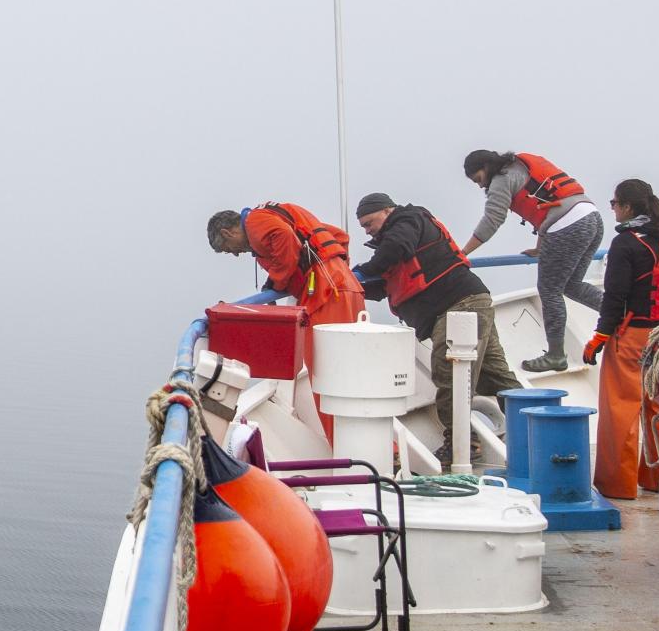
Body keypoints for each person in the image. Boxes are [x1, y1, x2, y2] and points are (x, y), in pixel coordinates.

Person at [353, 191, 520, 449]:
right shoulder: (396, 240)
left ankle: (461, 445)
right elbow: (388, 283)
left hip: (459, 306)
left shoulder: (407, 220)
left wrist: (360, 272)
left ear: (387, 211)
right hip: (470, 302)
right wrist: (350, 284)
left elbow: (395, 249)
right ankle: (536, 428)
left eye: (368, 223)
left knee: (450, 373)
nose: (366, 231)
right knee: (495, 375)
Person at [582, 178, 659, 499]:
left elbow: (615, 297)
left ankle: (618, 485)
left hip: (633, 337)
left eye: (614, 204)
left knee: (621, 408)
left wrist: (599, 337)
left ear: (627, 207)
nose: (612, 209)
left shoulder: (626, 243)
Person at [459, 149, 605, 374]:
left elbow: (492, 220)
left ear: (486, 168)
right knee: (571, 285)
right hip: (591, 218)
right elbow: (550, 202)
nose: (480, 186)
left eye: (478, 179)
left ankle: (556, 355)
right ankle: (621, 314)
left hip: (567, 226)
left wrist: (463, 252)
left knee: (549, 290)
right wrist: (540, 248)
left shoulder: (501, 180)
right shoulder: (520, 166)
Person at [206, 201, 365, 327]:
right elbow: (340, 236)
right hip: (348, 288)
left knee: (322, 358)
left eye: (227, 249)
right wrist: (342, 270)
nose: (235, 253)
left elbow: (285, 236)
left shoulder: (254, 222)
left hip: (324, 292)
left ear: (227, 233)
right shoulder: (276, 215)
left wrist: (277, 283)